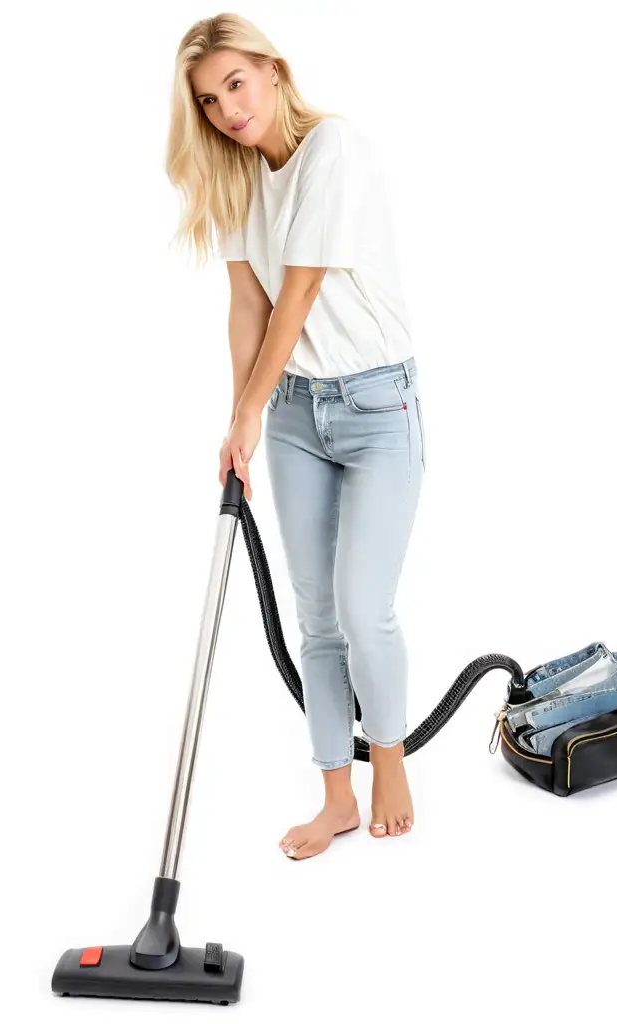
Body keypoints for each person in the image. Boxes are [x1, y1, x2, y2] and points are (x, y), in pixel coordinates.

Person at [167, 14, 424, 860]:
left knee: (363, 606)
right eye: (208, 100)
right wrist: (240, 415)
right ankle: (335, 798)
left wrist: (251, 406)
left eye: (236, 84)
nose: (226, 109)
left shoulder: (333, 149)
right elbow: (248, 305)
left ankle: (389, 759)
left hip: (378, 406)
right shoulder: (243, 178)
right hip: (293, 416)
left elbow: (299, 295)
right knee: (317, 620)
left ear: (273, 71)